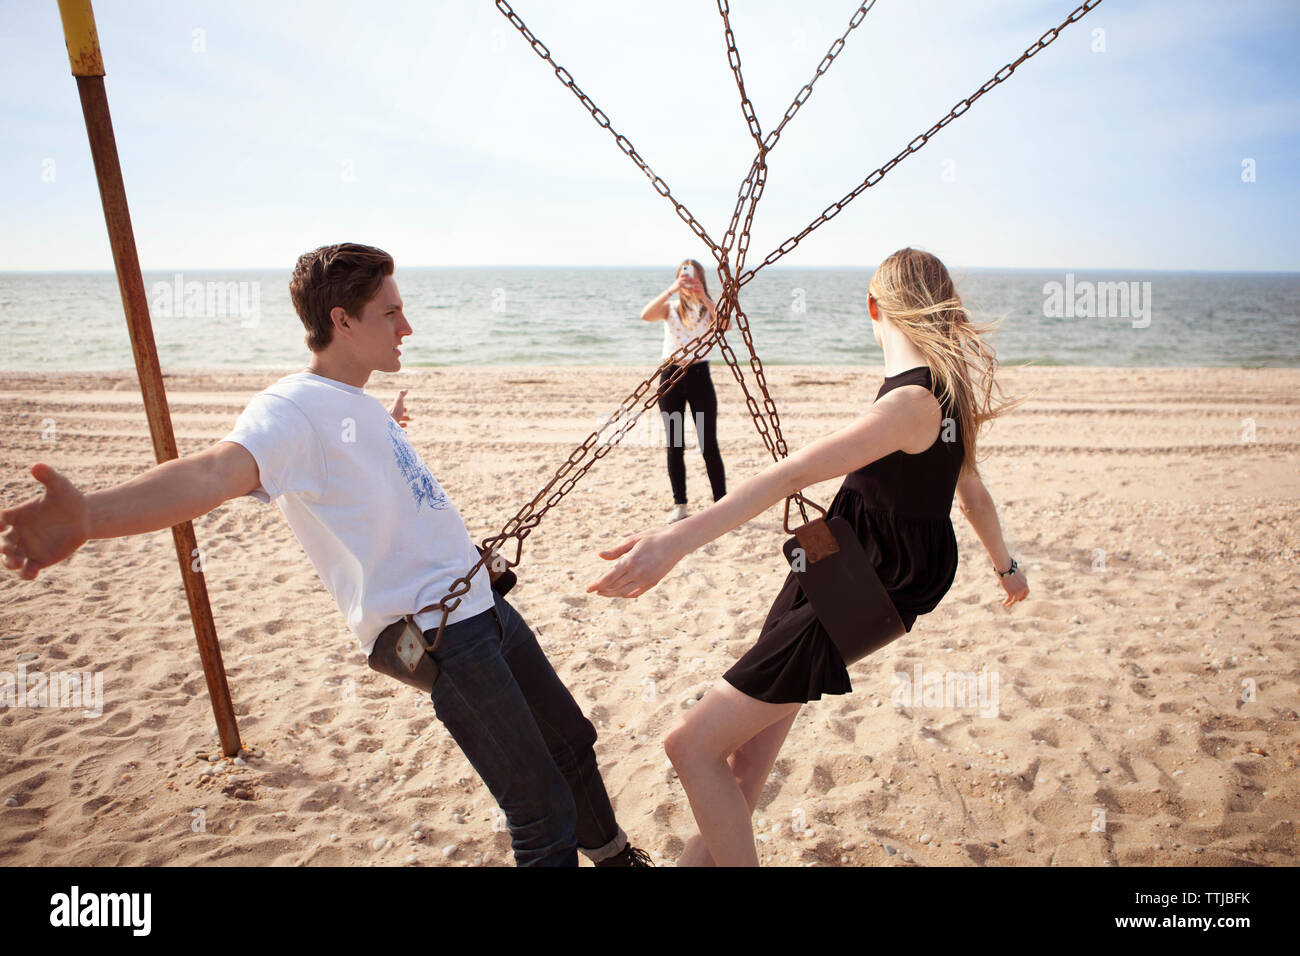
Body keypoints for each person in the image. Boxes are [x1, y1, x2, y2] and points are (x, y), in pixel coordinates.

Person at [1, 242, 651, 868]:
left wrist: (382, 423)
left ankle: (615, 860)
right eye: (390, 313)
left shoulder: (349, 404)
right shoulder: (290, 410)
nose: (408, 327)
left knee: (572, 745)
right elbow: (210, 473)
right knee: (538, 809)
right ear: (341, 320)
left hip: (481, 605)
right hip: (441, 632)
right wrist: (88, 515)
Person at [588, 247, 1030, 866]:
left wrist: (675, 541)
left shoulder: (908, 407)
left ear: (872, 308)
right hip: (830, 573)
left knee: (689, 746)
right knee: (740, 769)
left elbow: (782, 477)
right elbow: (974, 493)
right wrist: (1007, 567)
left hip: (853, 592)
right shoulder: (946, 397)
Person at [640, 259, 729, 523]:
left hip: (700, 376)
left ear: (701, 279)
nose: (689, 281)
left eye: (694, 277)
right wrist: (671, 289)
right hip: (670, 378)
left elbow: (725, 326)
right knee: (675, 444)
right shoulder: (669, 309)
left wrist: (703, 296)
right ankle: (680, 504)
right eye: (684, 276)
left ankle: (721, 503)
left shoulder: (707, 310)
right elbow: (645, 315)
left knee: (708, 444)